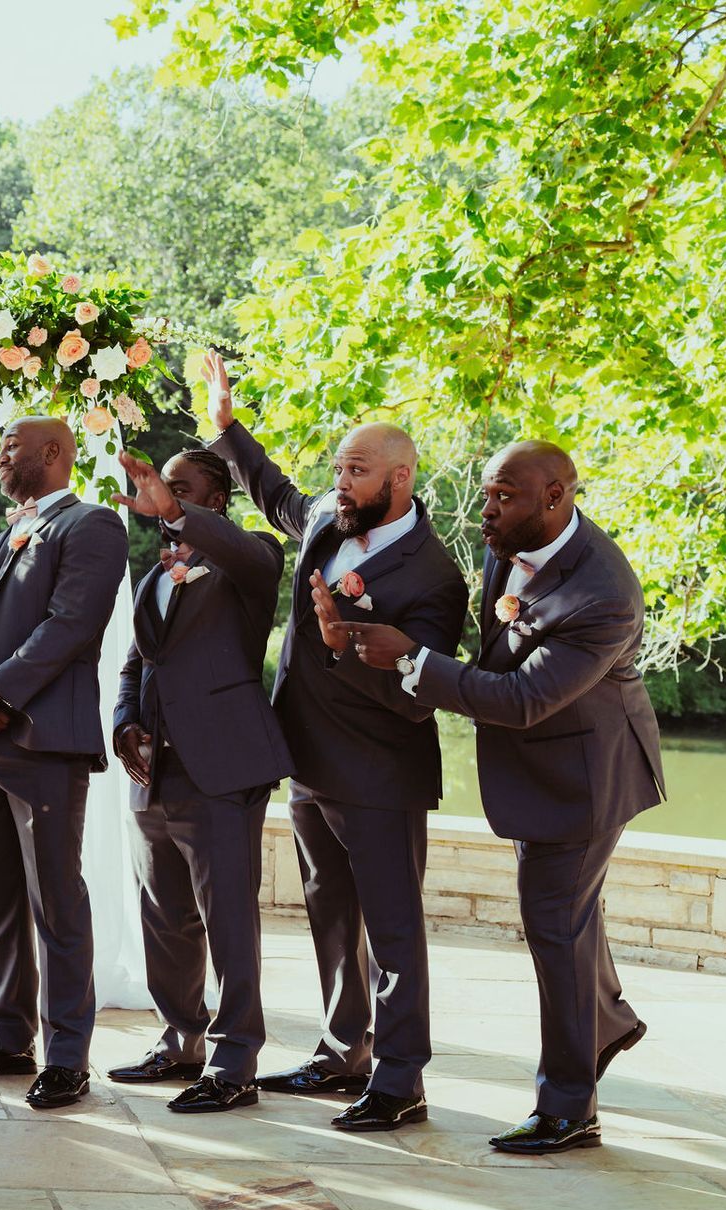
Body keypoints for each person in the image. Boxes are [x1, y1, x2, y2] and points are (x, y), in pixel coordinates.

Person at [331, 440, 664, 1154]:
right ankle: (607, 1019)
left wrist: (414, 659)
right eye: (486, 494)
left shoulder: (604, 592)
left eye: (502, 497)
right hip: (537, 770)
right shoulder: (509, 540)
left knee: (555, 924)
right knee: (570, 915)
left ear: (556, 497)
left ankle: (569, 1106)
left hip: (584, 776)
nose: (485, 511)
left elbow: (523, 698)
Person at [203, 351, 468, 1132]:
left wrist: (344, 640)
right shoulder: (328, 520)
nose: (340, 482)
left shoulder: (436, 578)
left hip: (381, 773)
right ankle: (342, 1047)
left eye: (356, 471)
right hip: (305, 763)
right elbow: (280, 494)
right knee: (328, 915)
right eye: (339, 468)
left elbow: (418, 694)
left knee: (392, 930)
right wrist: (227, 429)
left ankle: (399, 1079)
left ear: (401, 478)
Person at [0, 417, 130, 1110]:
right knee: (0, 905)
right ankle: (8, 1038)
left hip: (45, 744)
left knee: (57, 902)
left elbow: (71, 625)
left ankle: (69, 1056)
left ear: (53, 453)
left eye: (10, 446)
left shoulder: (92, 527)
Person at [106, 449, 291, 1113]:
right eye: (158, 484)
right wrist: (125, 725)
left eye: (179, 488)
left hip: (223, 766)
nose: (158, 494)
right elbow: (135, 665)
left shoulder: (252, 559)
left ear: (215, 501)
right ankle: (180, 1038)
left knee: (229, 919)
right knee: (165, 917)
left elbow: (250, 555)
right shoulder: (156, 574)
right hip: (154, 772)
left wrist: (176, 514)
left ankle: (235, 1059)